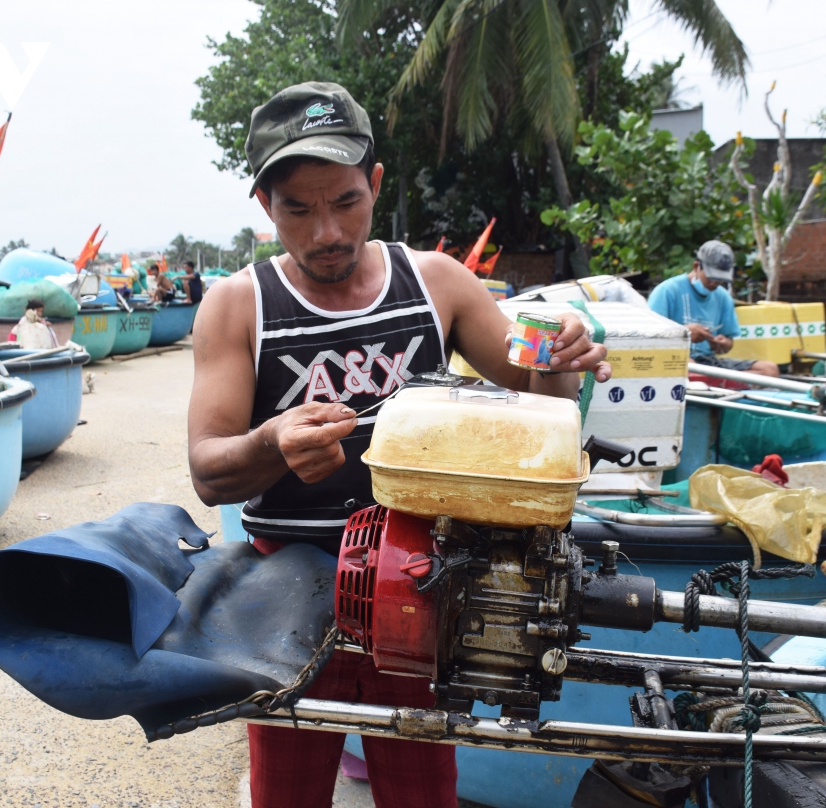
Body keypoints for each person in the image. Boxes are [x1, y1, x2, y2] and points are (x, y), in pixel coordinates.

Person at [187, 81, 610, 808]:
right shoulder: (238, 305)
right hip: (283, 596)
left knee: (423, 790)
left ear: (376, 184)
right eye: (298, 208)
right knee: (287, 790)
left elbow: (542, 409)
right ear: (265, 206)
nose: (326, 231)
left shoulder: (437, 283)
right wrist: (270, 442)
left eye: (346, 201)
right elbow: (207, 471)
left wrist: (561, 354)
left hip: (425, 581)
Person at [647, 240, 779, 377]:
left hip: (708, 361)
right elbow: (648, 338)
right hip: (673, 358)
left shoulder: (723, 297)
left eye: (719, 280)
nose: (714, 283)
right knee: (690, 367)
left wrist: (723, 344)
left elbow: (729, 342)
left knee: (769, 369)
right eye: (710, 278)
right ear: (696, 266)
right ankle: (718, 383)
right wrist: (684, 334)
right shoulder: (667, 291)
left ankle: (718, 384)